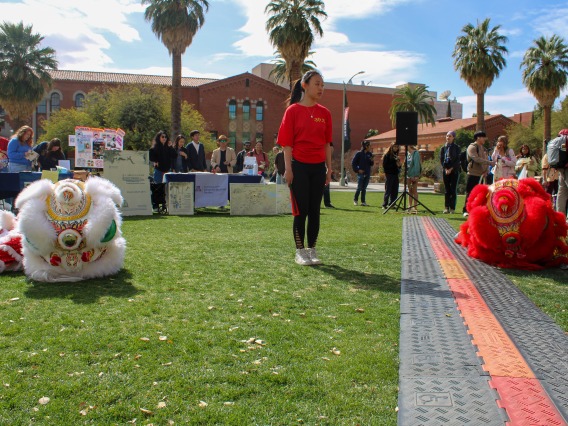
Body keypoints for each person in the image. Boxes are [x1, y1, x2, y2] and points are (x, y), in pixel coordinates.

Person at [277, 70, 332, 266]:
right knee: (302, 211)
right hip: (298, 167)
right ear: (305, 85)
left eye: (323, 85)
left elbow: (327, 143)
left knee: (315, 210)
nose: (321, 88)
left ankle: (312, 250)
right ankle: (300, 252)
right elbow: (287, 144)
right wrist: (288, 169)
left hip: (318, 168)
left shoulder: (324, 113)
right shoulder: (292, 111)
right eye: (317, 84)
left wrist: (329, 169)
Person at [463, 131, 494, 217]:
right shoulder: (472, 147)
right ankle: (465, 210)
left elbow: (484, 160)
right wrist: (489, 162)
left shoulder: (483, 148)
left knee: (478, 193)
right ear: (478, 138)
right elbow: (476, 159)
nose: (485, 139)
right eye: (483, 137)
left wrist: (486, 170)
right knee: (470, 192)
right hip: (472, 173)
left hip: (481, 174)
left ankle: (475, 209)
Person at [439, 131, 461, 213]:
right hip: (446, 170)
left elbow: (458, 160)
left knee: (453, 189)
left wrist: (451, 169)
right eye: (447, 136)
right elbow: (441, 159)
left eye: (450, 136)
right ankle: (446, 207)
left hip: (454, 170)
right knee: (447, 189)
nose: (448, 137)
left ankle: (452, 208)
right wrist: (445, 169)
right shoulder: (443, 148)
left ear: (453, 137)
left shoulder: (457, 148)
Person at [351, 140, 374, 206]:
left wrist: (372, 161)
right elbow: (353, 163)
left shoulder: (370, 154)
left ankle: (363, 202)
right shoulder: (359, 154)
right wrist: (358, 170)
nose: (370, 147)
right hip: (361, 173)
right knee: (359, 187)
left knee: (364, 188)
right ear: (366, 146)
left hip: (367, 173)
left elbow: (371, 164)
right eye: (369, 145)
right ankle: (355, 200)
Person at [382, 142, 401, 209]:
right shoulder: (387, 155)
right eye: (394, 147)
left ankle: (392, 203)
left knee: (395, 189)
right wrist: (394, 164)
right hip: (389, 174)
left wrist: (399, 165)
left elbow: (399, 166)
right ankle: (384, 204)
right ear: (391, 147)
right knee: (388, 189)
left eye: (397, 147)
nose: (396, 148)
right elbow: (385, 166)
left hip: (395, 174)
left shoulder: (396, 155)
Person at [406, 145, 422, 214]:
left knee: (414, 190)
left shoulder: (416, 153)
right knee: (410, 190)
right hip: (408, 175)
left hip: (414, 175)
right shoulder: (407, 154)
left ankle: (415, 206)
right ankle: (409, 205)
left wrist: (416, 175)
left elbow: (417, 164)